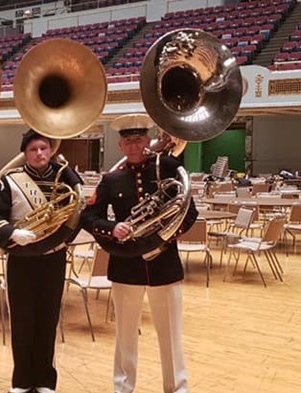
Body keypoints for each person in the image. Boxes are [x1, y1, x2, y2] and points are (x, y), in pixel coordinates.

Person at [81, 114, 198, 393]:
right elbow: (89, 216)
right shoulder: (111, 179)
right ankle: (123, 387)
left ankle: (177, 388)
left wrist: (162, 237)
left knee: (171, 334)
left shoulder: (168, 168)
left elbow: (188, 213)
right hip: (126, 266)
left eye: (138, 140)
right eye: (127, 141)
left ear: (147, 141)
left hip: (164, 263)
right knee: (125, 334)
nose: (133, 146)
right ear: (120, 145)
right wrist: (112, 228)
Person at [0, 130, 83, 393]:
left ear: (50, 150)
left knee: (48, 318)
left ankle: (45, 380)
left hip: (54, 258)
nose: (39, 154)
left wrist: (62, 240)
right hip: (21, 260)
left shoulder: (65, 178)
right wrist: (11, 232)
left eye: (43, 148)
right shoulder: (10, 181)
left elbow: (77, 214)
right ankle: (22, 380)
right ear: (25, 154)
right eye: (33, 150)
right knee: (22, 319)